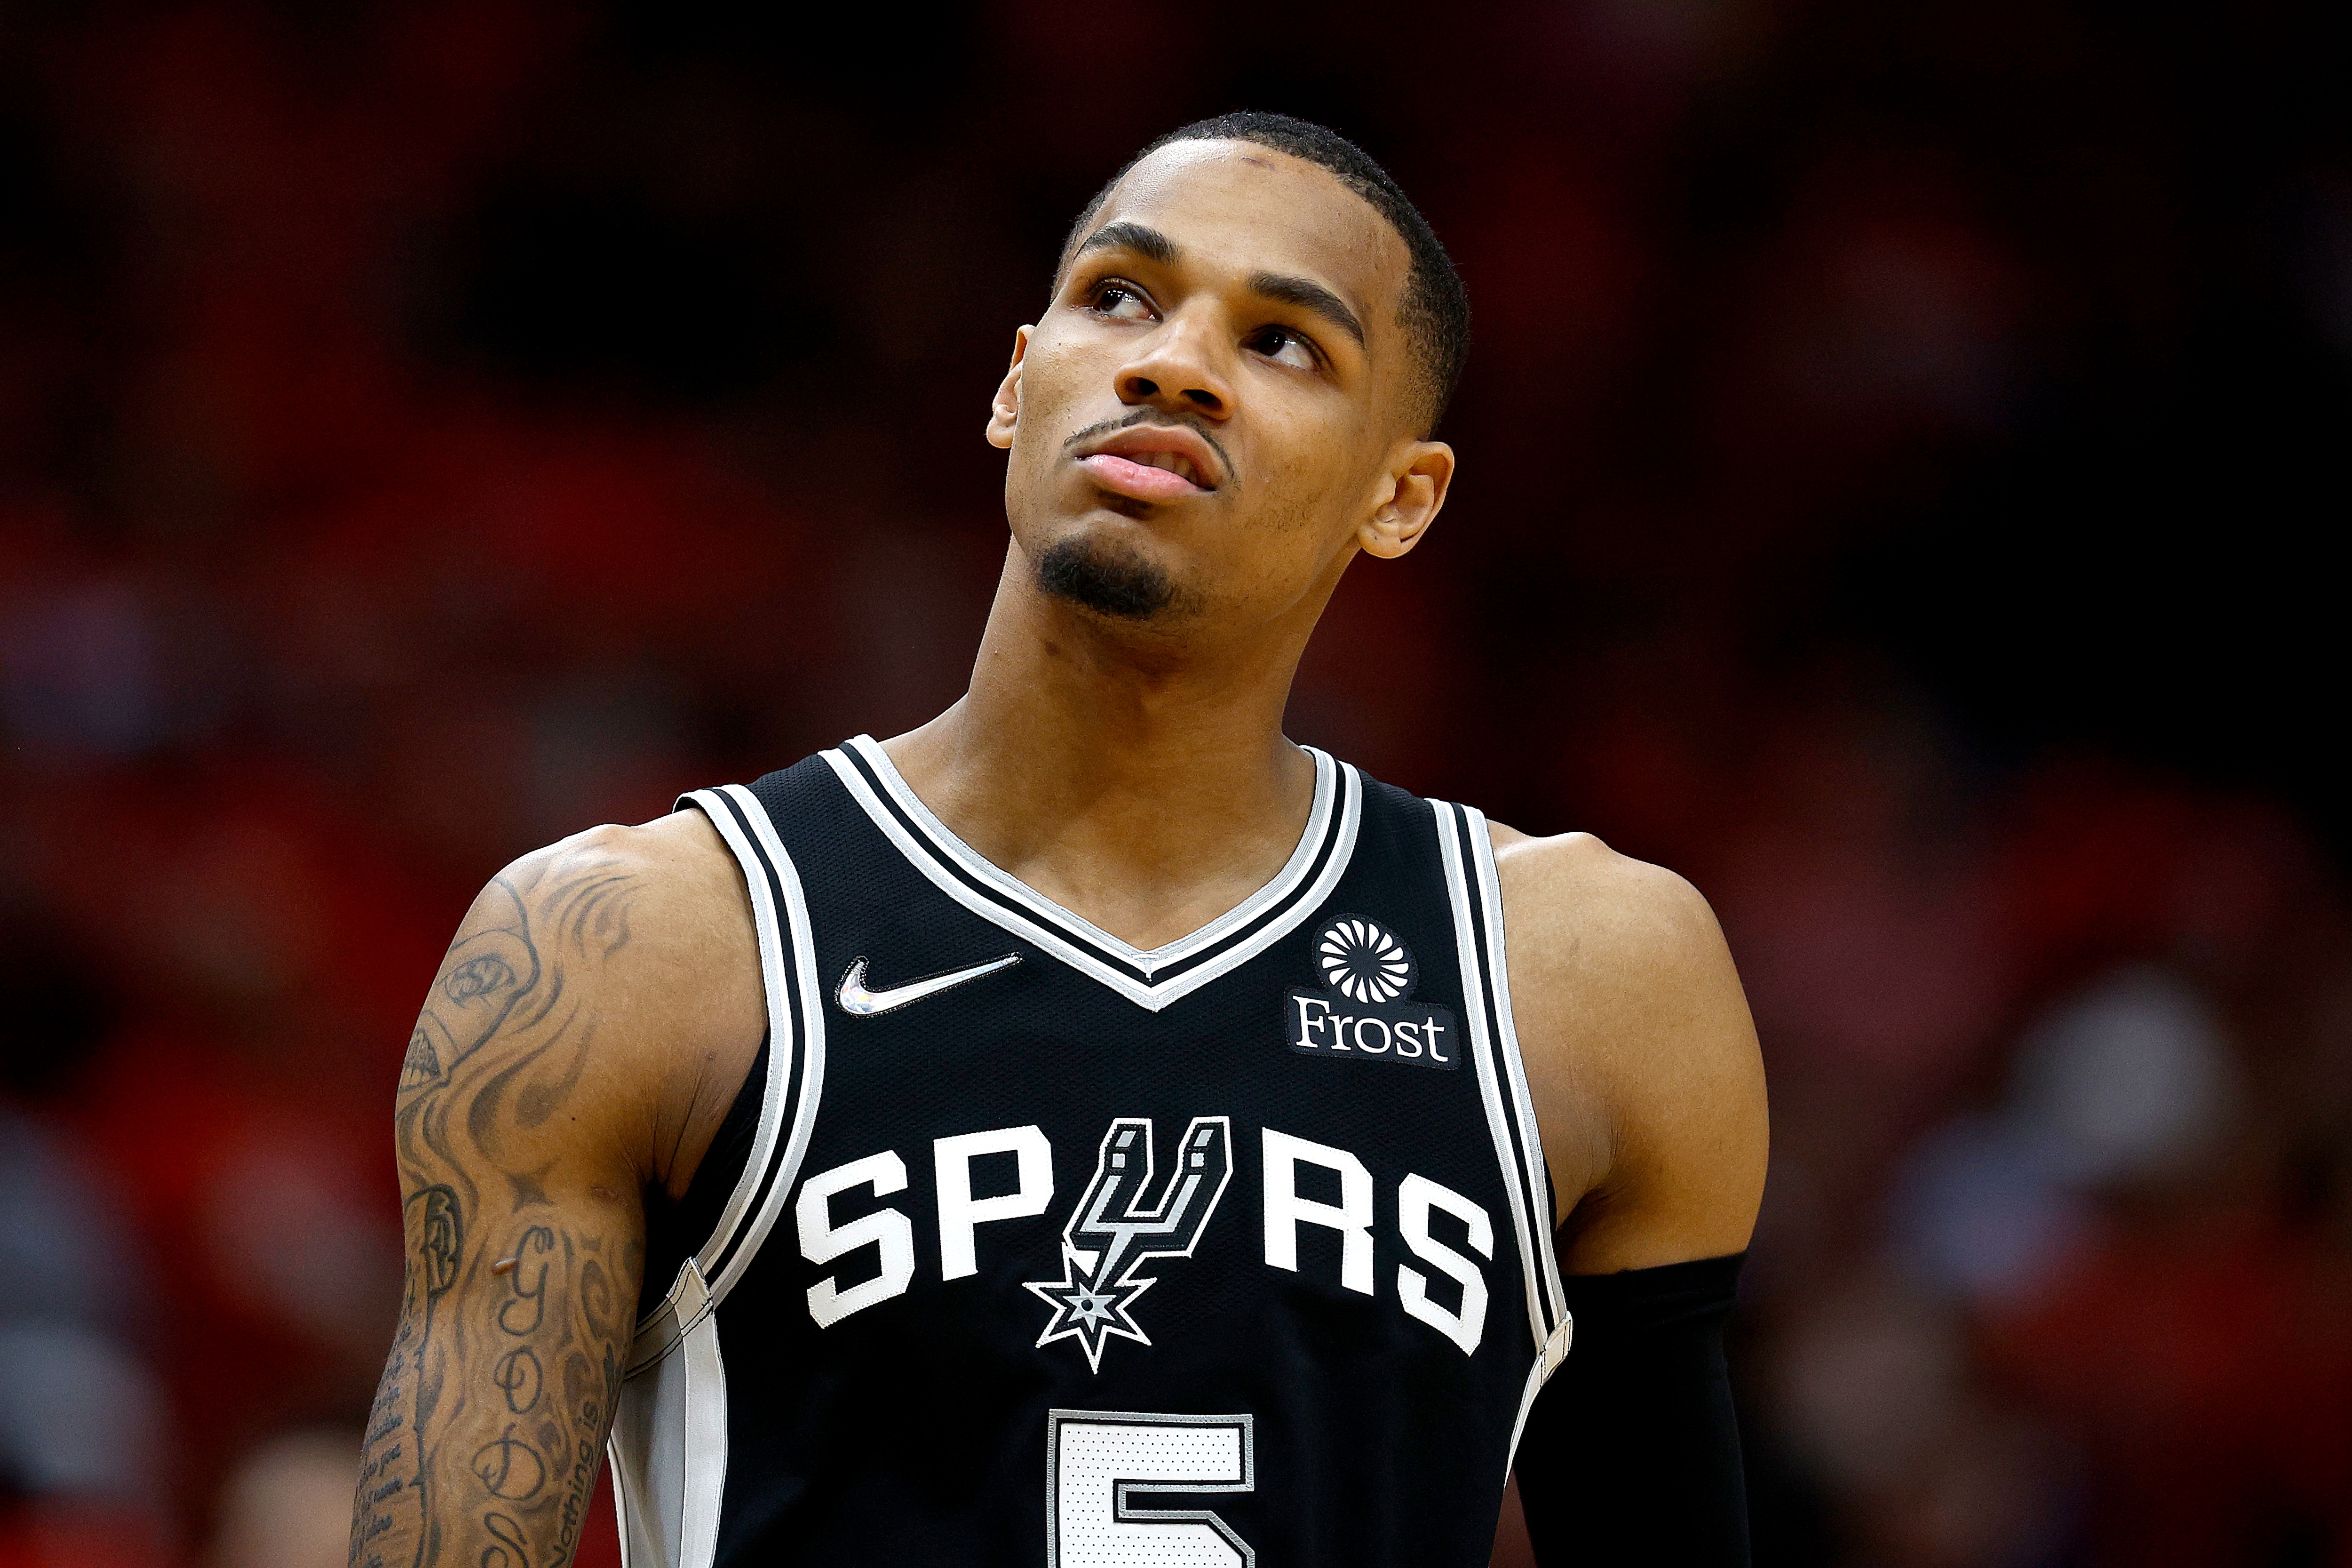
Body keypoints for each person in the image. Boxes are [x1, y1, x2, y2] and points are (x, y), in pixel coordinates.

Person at [348, 111, 1766, 1568]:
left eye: (1283, 343)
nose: (1170, 362)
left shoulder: (1588, 980)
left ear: (1401, 500)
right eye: (1122, 297)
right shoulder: (636, 947)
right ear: (1019, 385)